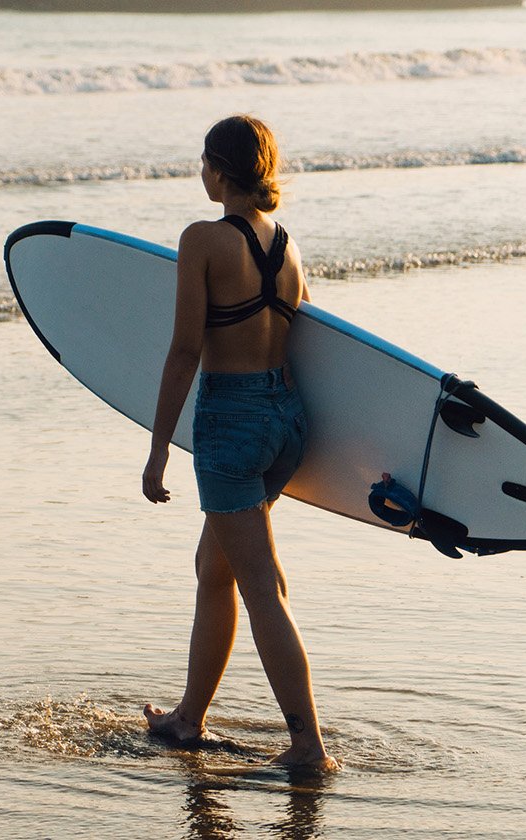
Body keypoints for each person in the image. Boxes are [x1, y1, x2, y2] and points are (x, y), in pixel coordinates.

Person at [140, 115, 337, 772]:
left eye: (202, 162)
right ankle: (187, 719)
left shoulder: (201, 240)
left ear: (220, 170)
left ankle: (308, 745)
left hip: (232, 421)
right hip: (286, 421)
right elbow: (316, 334)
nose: (200, 172)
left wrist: (159, 448)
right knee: (215, 569)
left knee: (259, 585)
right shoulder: (287, 246)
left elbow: (183, 350)